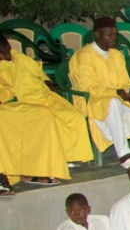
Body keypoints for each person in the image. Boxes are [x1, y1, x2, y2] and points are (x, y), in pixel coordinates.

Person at [69, 16, 130, 166]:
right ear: (97, 34)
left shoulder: (116, 55)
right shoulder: (84, 56)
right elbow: (90, 87)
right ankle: (124, 154)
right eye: (109, 34)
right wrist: (117, 92)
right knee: (114, 102)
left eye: (115, 34)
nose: (114, 38)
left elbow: (124, 81)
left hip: (117, 95)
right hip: (93, 100)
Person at [0, 34, 92, 168]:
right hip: (27, 101)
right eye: (3, 54)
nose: (8, 56)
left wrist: (47, 81)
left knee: (75, 117)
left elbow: (38, 71)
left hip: (45, 94)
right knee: (52, 120)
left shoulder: (18, 56)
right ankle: (58, 159)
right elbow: (6, 90)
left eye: (8, 50)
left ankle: (73, 156)